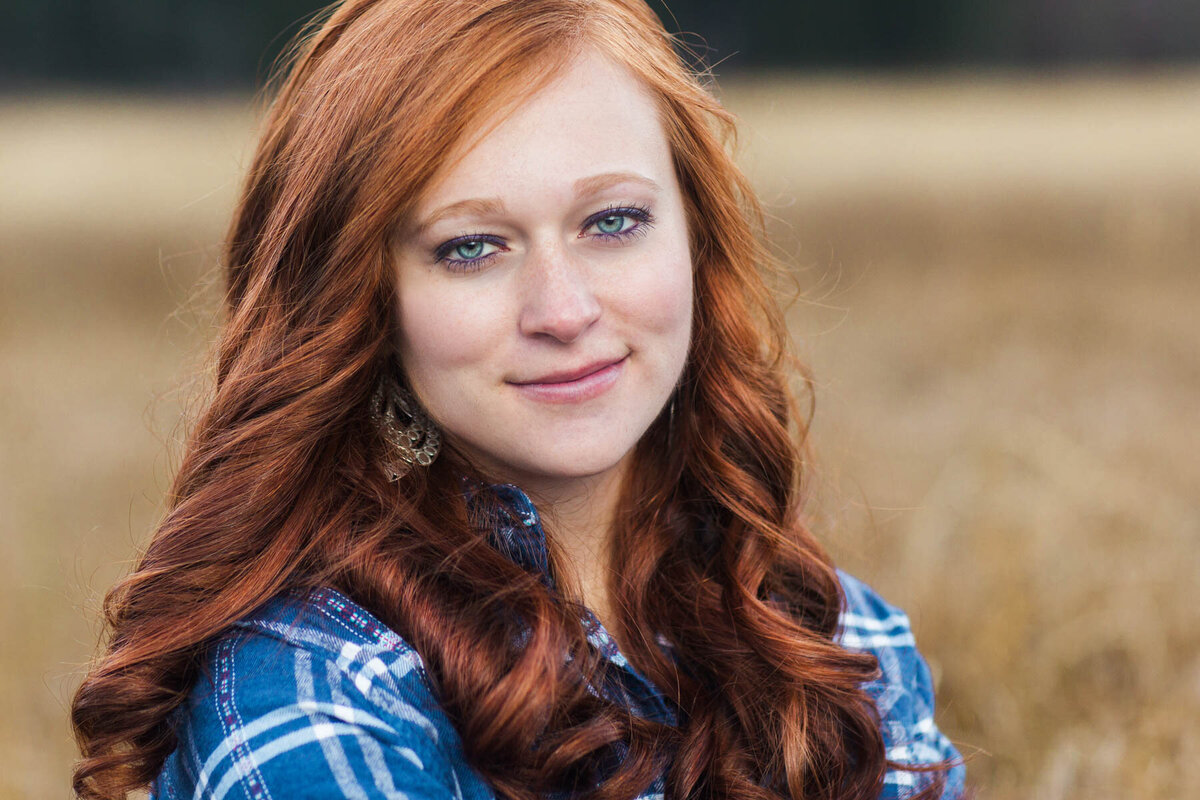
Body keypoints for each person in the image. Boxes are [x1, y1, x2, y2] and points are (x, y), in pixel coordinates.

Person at [70, 1, 967, 798]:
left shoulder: (848, 646)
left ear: (695, 240)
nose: (565, 311)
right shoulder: (310, 684)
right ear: (361, 302)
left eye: (613, 221)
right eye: (472, 246)